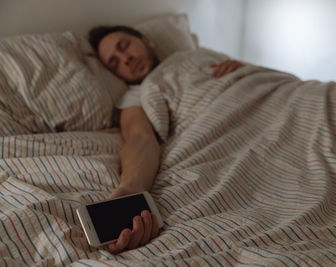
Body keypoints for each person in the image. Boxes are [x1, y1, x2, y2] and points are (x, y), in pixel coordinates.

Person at [88, 25, 245, 253]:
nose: (126, 60)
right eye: (115, 63)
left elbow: (262, 75)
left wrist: (243, 68)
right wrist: (131, 188)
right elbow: (139, 137)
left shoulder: (196, 54)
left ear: (146, 40)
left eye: (124, 46)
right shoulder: (134, 95)